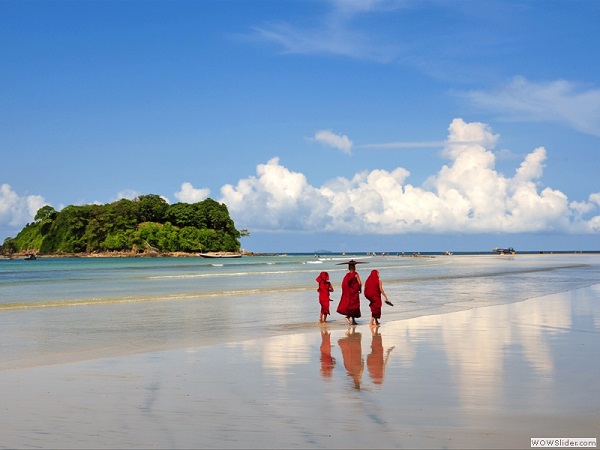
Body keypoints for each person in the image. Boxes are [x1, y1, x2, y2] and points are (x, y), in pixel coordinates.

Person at [336, 260, 363, 325]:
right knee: (354, 306)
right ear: (354, 267)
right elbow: (360, 283)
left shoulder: (347, 275)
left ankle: (353, 320)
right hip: (354, 292)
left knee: (351, 306)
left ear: (349, 268)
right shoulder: (356, 274)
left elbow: (344, 284)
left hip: (349, 293)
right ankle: (348, 317)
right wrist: (360, 289)